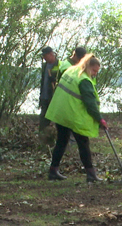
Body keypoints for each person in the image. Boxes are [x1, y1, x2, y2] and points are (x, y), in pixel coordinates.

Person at [45, 54, 107, 182]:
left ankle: (53, 171)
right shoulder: (84, 80)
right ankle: (91, 174)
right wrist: (100, 119)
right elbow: (90, 103)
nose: (95, 74)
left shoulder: (71, 70)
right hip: (72, 115)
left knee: (61, 142)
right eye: (94, 71)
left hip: (61, 112)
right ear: (88, 66)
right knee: (83, 143)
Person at [38, 46, 60, 145]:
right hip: (45, 97)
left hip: (55, 98)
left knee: (58, 121)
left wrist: (55, 80)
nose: (44, 58)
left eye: (46, 56)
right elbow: (43, 82)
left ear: (51, 54)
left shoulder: (59, 66)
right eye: (43, 57)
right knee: (43, 120)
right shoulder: (45, 66)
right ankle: (42, 141)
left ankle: (58, 141)